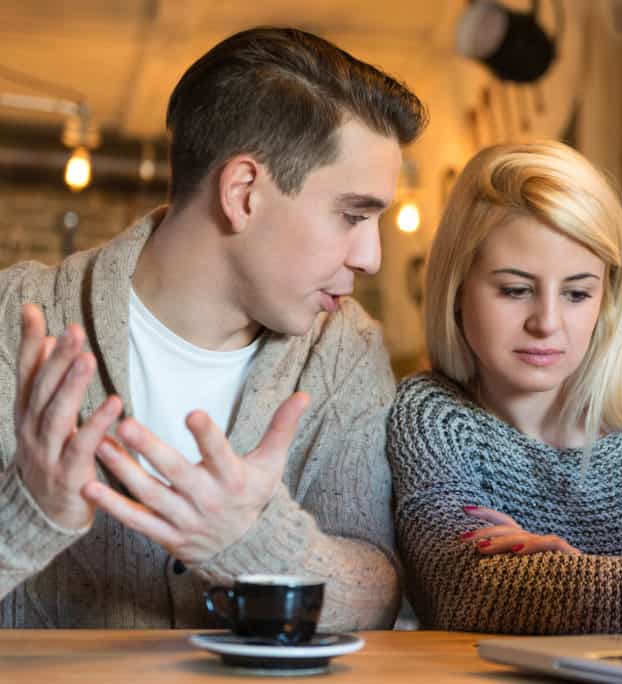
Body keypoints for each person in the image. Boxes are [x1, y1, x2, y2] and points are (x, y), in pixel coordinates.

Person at [0, 27, 427, 630]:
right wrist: (29, 513)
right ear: (243, 193)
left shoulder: (344, 347)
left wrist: (250, 541)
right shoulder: (13, 321)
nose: (371, 258)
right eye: (352, 215)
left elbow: (379, 597)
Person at [387, 141, 622, 634]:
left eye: (576, 293)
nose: (547, 323)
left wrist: (565, 585)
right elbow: (469, 592)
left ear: (607, 296)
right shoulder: (431, 416)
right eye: (515, 290)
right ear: (456, 287)